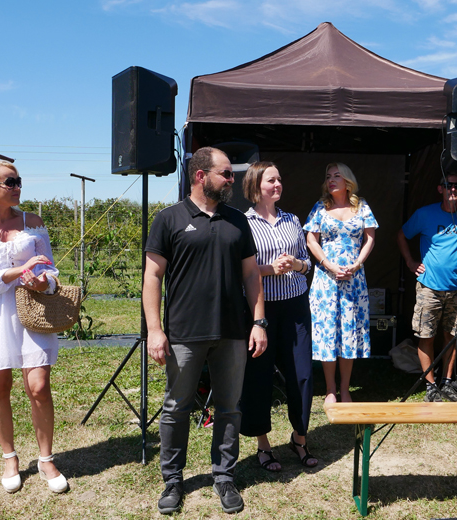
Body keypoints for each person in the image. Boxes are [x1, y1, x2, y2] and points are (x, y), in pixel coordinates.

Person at [143, 146, 267, 515]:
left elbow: (251, 275)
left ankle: (224, 477)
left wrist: (258, 321)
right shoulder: (169, 219)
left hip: (232, 332)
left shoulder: (237, 221)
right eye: (226, 174)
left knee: (229, 408)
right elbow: (152, 275)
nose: (233, 180)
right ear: (201, 176)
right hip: (183, 332)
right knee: (176, 408)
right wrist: (154, 329)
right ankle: (172, 480)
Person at [0, 160, 68, 494]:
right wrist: (19, 273)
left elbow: (50, 271)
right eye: (10, 181)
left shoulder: (32, 222)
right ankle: (10, 457)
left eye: (18, 180)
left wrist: (40, 282)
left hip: (32, 311)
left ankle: (46, 458)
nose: (18, 186)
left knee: (38, 385)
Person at [240, 161, 317, 471]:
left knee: (302, 374)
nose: (277, 184)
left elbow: (308, 264)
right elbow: (240, 271)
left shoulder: (292, 219)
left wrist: (296, 264)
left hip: (296, 306)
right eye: (271, 180)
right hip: (263, 309)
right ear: (256, 185)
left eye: (279, 179)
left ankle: (299, 439)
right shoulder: (243, 223)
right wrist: (270, 269)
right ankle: (263, 445)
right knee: (259, 377)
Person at [397, 173, 457, 402]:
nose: (453, 189)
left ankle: (447, 382)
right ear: (440, 188)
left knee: (451, 337)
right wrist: (411, 262)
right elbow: (401, 235)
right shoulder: (425, 213)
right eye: (448, 185)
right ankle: (430, 385)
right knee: (426, 335)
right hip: (429, 286)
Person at [304, 162, 377, 404]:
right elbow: (311, 240)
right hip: (326, 280)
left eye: (336, 175)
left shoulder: (362, 206)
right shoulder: (320, 207)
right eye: (328, 176)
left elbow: (370, 238)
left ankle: (345, 389)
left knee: (349, 333)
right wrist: (328, 265)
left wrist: (356, 264)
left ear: (347, 181)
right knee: (328, 333)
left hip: (354, 281)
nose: (331, 180)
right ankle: (330, 390)